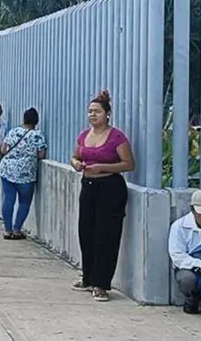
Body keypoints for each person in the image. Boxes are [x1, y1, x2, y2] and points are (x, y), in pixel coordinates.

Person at [70, 90, 135, 302]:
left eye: (97, 111)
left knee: (105, 235)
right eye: (90, 111)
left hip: (110, 187)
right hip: (88, 186)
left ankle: (101, 283)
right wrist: (76, 164)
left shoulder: (117, 137)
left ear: (107, 114)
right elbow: (74, 156)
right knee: (86, 231)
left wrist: (103, 167)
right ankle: (88, 277)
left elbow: (129, 164)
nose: (92, 115)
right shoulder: (84, 135)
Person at [0, 108, 47, 240]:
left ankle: (7, 230)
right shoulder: (38, 135)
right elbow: (41, 155)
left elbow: (3, 149)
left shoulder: (13, 131)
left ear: (23, 119)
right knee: (24, 202)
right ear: (36, 121)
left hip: (7, 170)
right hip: (26, 173)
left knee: (8, 199)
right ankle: (17, 230)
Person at [168, 189, 201, 314]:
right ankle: (192, 300)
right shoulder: (179, 227)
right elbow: (177, 256)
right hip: (191, 268)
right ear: (193, 210)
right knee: (187, 279)